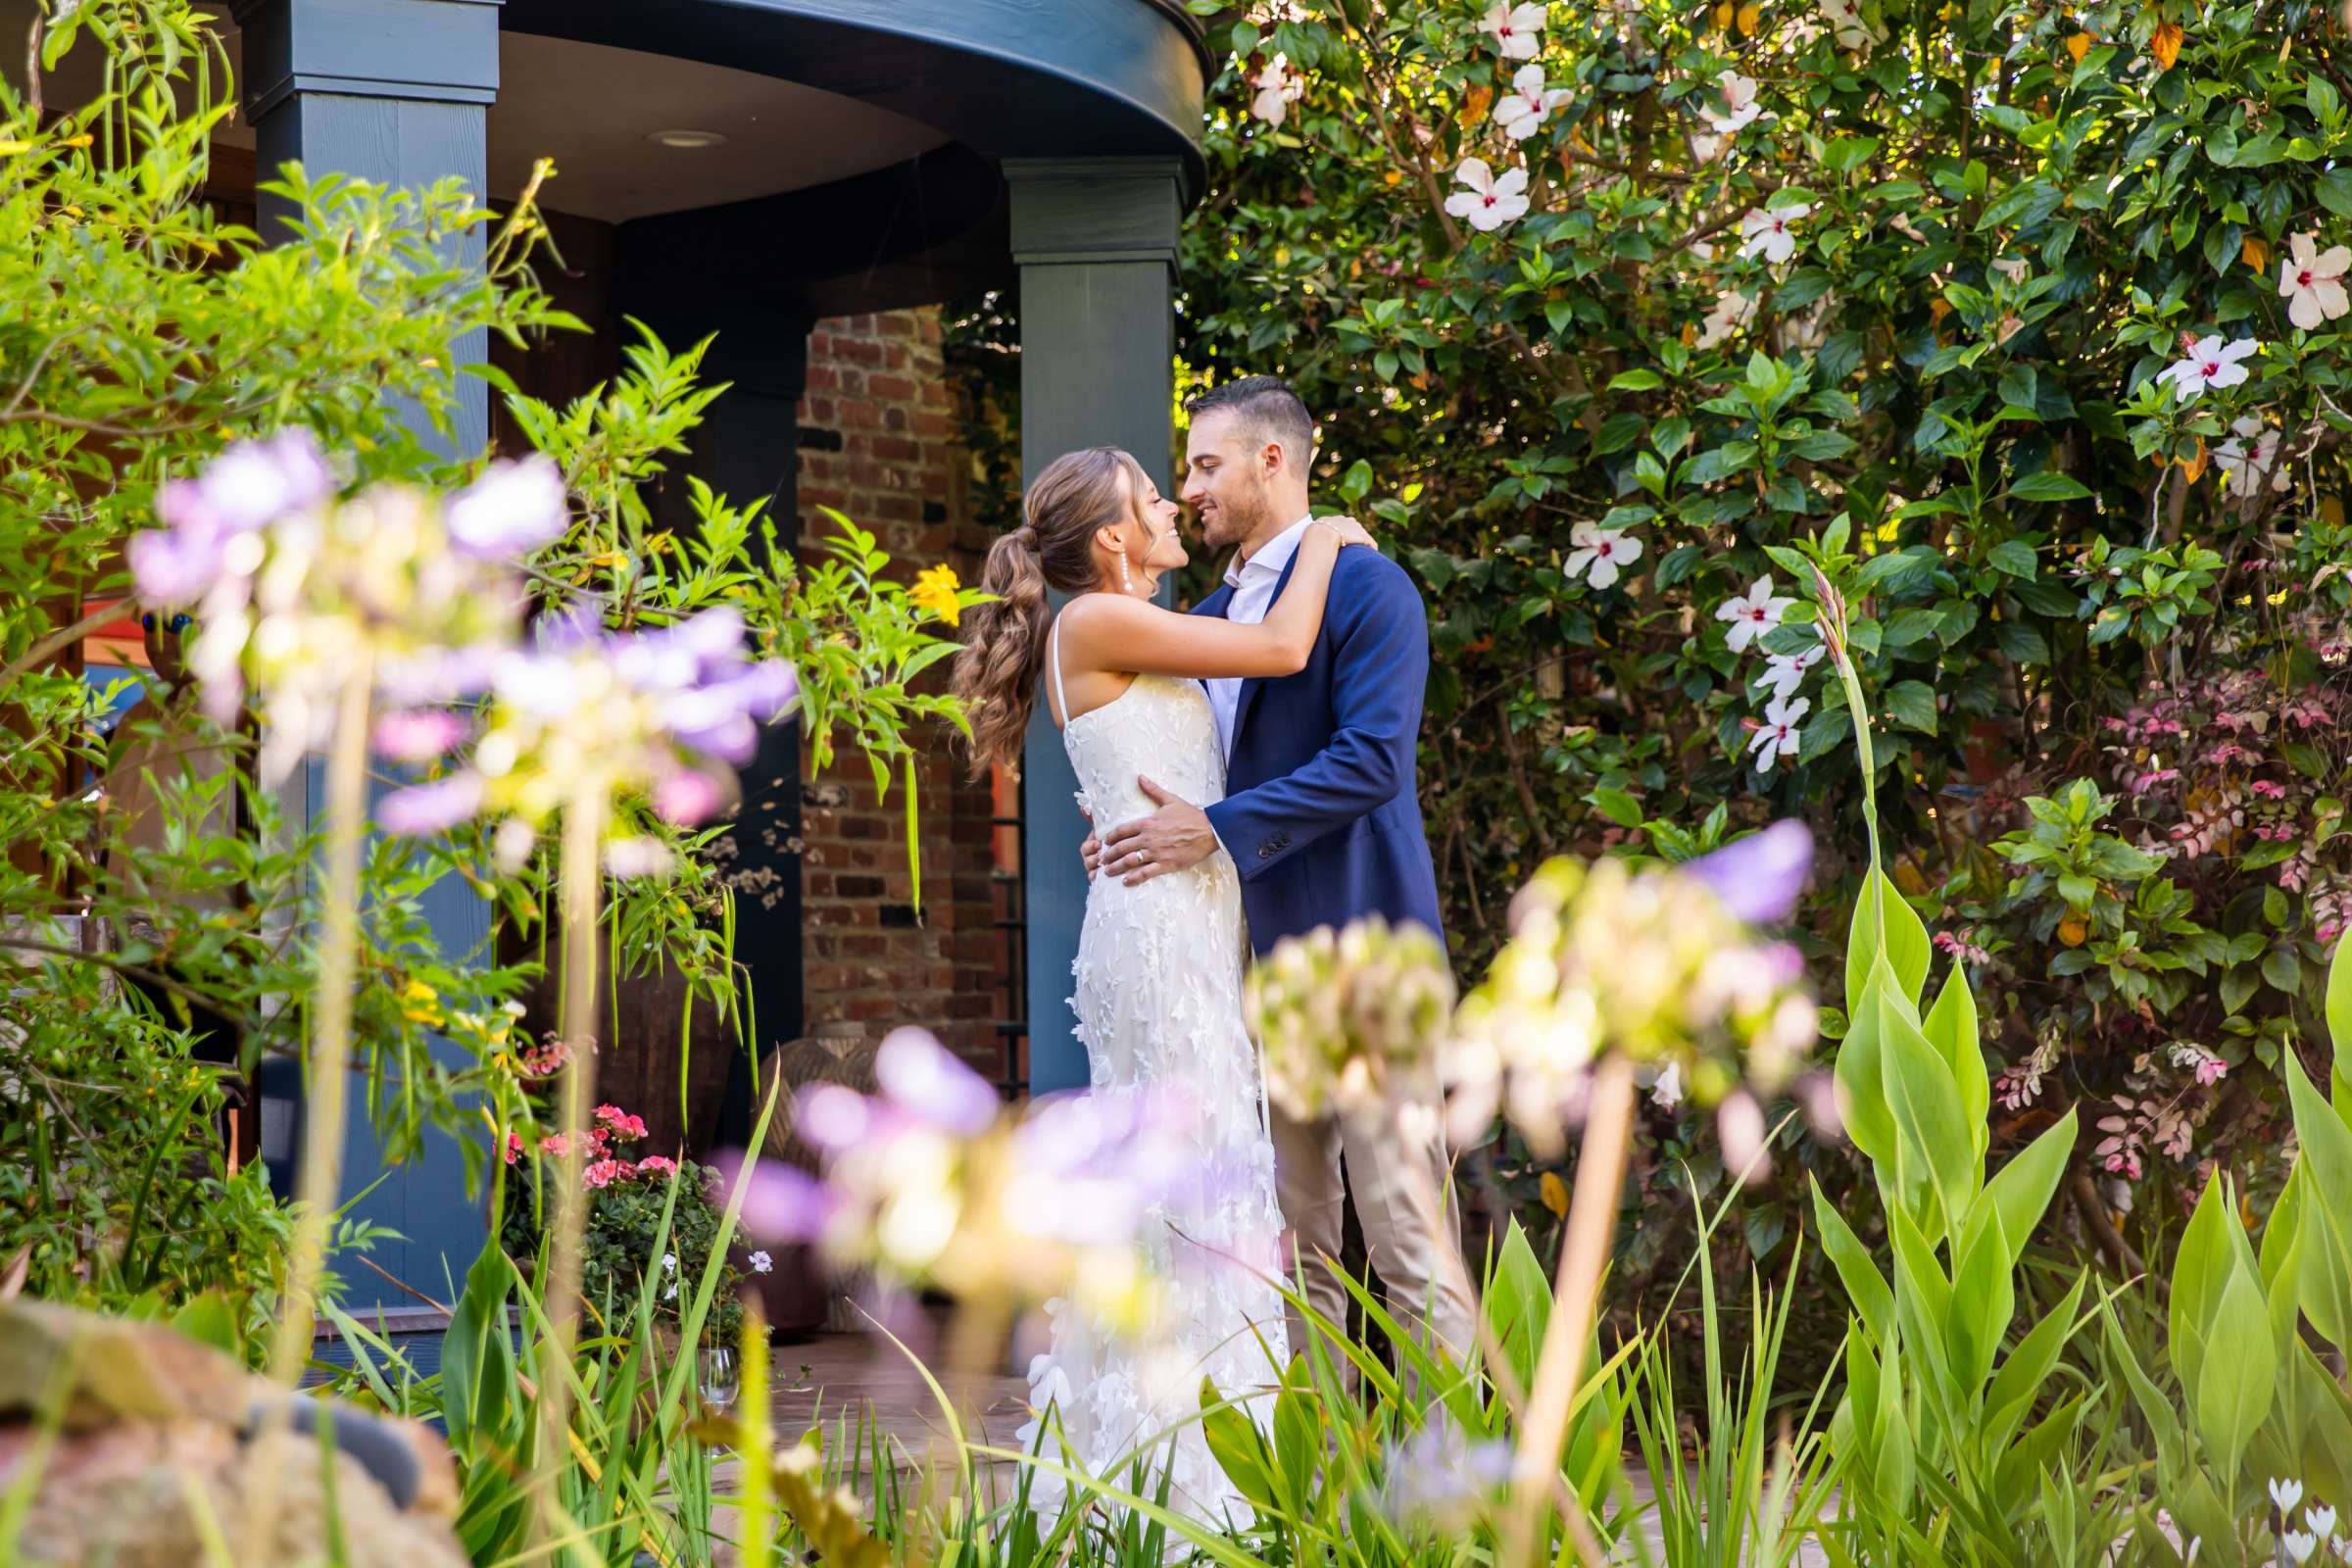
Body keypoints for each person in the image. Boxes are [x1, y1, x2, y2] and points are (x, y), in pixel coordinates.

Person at [949, 444, 1372, 1526]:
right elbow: (1280, 645)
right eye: (1153, 500)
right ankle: (1202, 1493)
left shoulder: (1105, 625)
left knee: (1188, 1190)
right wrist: (1324, 531)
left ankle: (1171, 1469)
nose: (1175, 509)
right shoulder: (1095, 617)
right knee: (1202, 1188)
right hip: (1165, 937)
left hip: (1168, 912)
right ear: (1110, 540)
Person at [1083, 375, 1476, 1366]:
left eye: (1207, 464)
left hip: (1366, 955)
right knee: (1295, 1247)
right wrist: (1130, 826)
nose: (1192, 486)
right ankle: (1325, 1500)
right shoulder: (1213, 616)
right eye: (1185, 470)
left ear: (1272, 461)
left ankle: (1455, 1508)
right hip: (1245, 979)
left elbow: (1371, 760)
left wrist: (1211, 828)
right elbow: (1190, 772)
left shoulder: (1368, 585)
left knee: (1408, 1243)